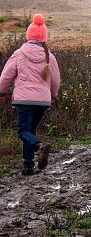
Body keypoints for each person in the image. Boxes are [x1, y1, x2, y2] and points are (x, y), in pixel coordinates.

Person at [0, 14, 61, 175]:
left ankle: (38, 147)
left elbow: (6, 75)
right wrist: (53, 95)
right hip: (43, 101)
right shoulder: (49, 56)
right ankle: (28, 165)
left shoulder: (19, 53)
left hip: (24, 99)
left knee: (23, 131)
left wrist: (1, 92)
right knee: (30, 131)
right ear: (44, 37)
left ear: (28, 35)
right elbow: (55, 80)